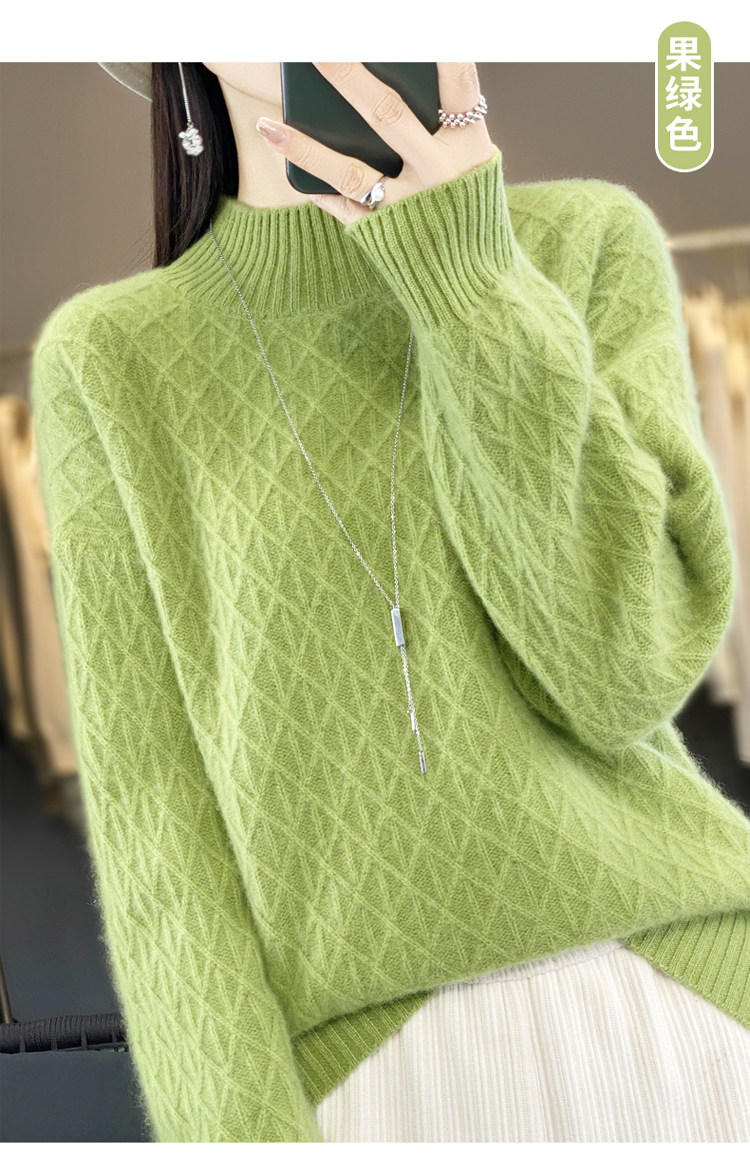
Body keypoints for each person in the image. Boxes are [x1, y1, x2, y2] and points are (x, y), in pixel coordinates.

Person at [30, 61, 750, 1143]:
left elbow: (623, 674)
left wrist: (467, 274)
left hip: (689, 1006)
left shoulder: (583, 243)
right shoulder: (109, 360)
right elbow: (156, 834)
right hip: (371, 1083)